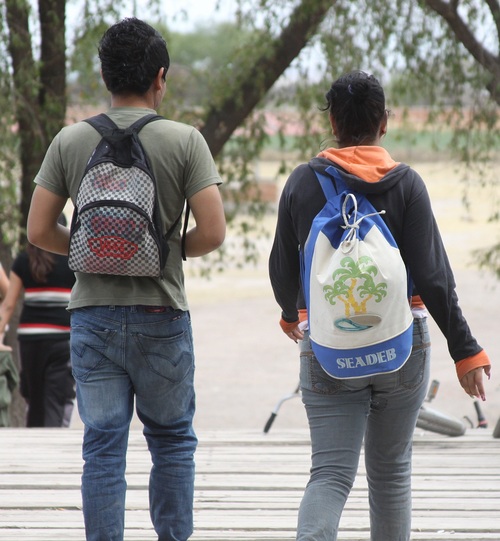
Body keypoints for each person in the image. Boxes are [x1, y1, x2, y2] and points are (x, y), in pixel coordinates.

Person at [268, 70, 491, 541]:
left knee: (330, 474)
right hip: (403, 348)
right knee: (390, 475)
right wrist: (466, 352)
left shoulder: (302, 183)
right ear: (384, 123)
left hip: (327, 347)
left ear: (332, 122)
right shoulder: (407, 184)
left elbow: (282, 268)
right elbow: (434, 277)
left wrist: (290, 314)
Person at [26, 17, 225, 541]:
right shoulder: (186, 141)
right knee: (173, 441)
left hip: (92, 315)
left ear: (104, 76)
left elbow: (38, 230)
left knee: (103, 447)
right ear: (160, 77)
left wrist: (93, 251)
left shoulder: (70, 140)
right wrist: (160, 253)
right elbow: (213, 232)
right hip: (162, 313)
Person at [0, 218, 76, 427]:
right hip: (62, 338)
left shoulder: (23, 260)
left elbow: (8, 304)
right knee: (57, 397)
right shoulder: (72, 261)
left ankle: (34, 435)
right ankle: (52, 439)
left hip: (30, 339)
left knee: (33, 397)